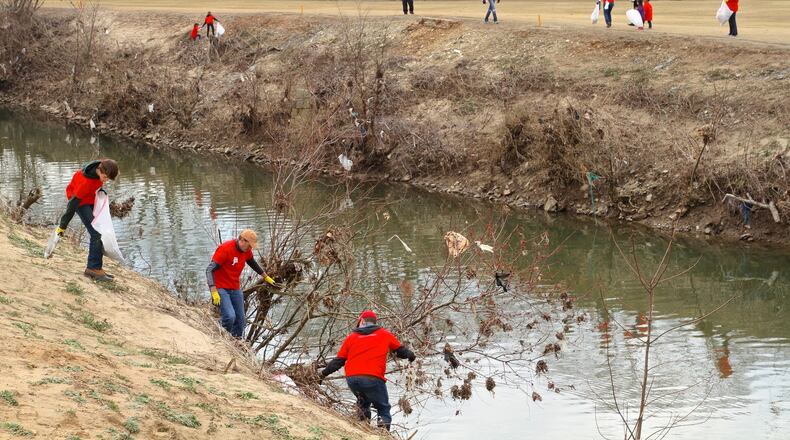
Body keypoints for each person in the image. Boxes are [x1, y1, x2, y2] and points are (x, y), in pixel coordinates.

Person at [321, 310, 415, 431]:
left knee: (363, 403)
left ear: (362, 321)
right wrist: (411, 355)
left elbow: (338, 361)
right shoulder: (384, 334)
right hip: (373, 379)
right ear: (374, 322)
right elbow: (400, 351)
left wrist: (322, 374)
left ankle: (363, 429)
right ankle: (383, 434)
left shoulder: (351, 337)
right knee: (383, 407)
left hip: (352, 379)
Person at [55, 159, 119, 282]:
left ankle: (97, 267)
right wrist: (62, 226)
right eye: (105, 177)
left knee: (101, 231)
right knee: (96, 233)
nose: (105, 180)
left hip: (90, 198)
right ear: (99, 170)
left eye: (108, 179)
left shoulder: (102, 167)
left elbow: (99, 180)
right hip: (79, 202)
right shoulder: (85, 182)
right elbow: (72, 205)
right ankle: (92, 269)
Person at [206, 230, 276, 339]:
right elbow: (209, 270)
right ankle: (219, 335)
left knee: (241, 321)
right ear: (242, 241)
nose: (250, 249)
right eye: (249, 246)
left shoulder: (246, 251)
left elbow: (252, 263)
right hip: (220, 287)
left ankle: (235, 340)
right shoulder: (225, 249)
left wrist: (265, 277)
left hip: (234, 287)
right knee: (230, 317)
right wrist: (213, 291)